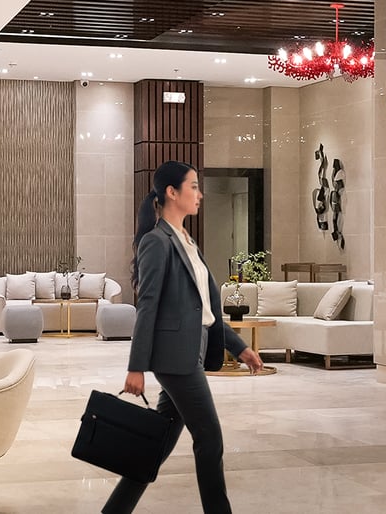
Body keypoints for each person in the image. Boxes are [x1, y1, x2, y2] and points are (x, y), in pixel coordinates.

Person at [104, 161, 263, 514]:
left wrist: (241, 348)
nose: (200, 193)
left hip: (193, 351)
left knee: (155, 445)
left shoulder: (188, 242)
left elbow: (203, 310)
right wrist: (136, 367)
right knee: (210, 439)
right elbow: (148, 307)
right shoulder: (156, 242)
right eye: (193, 186)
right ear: (171, 193)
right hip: (175, 358)